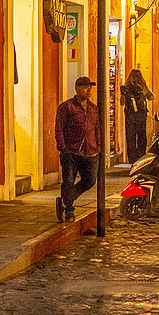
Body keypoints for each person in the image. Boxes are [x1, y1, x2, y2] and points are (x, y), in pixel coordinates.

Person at [54, 76, 101, 223]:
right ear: (77, 88)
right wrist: (62, 147)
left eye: (90, 87)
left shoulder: (94, 108)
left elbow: (97, 128)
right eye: (85, 87)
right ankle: (69, 211)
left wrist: (99, 147)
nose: (89, 90)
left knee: (90, 180)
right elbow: (59, 128)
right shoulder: (67, 107)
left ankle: (65, 200)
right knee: (68, 180)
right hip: (71, 151)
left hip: (90, 151)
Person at [120, 68, 153, 164]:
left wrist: (123, 95)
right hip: (141, 116)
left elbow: (122, 103)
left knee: (131, 138)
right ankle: (141, 158)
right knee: (142, 137)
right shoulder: (142, 87)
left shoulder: (126, 87)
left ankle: (132, 160)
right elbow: (152, 97)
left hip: (130, 116)